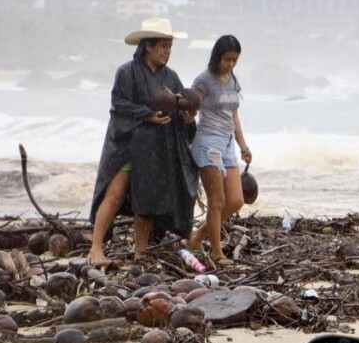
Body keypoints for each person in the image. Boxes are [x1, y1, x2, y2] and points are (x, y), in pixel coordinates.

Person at [87, 18, 199, 266]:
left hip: (155, 152)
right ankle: (96, 249)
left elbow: (178, 108)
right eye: (163, 46)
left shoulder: (171, 78)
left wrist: (187, 118)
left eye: (170, 47)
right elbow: (119, 105)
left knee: (146, 201)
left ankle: (141, 253)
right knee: (114, 194)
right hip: (127, 147)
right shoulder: (127, 72)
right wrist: (147, 115)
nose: (167, 52)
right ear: (148, 46)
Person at [185, 35, 252, 265]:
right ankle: (216, 252)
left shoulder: (232, 80)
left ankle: (198, 236)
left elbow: (234, 116)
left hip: (227, 143)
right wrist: (186, 114)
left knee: (236, 200)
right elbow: (189, 105)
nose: (231, 64)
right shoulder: (204, 80)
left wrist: (243, 145)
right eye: (227, 59)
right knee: (217, 200)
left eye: (235, 60)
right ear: (217, 57)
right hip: (208, 143)